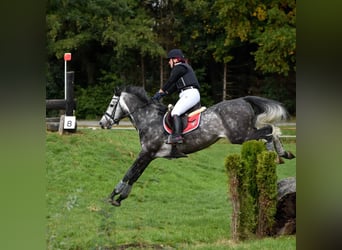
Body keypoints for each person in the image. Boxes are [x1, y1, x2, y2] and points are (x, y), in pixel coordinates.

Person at [152, 49, 200, 144]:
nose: (169, 62)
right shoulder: (183, 69)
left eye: (170, 60)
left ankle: (177, 136)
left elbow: (171, 81)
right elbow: (174, 87)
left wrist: (160, 91)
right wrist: (163, 94)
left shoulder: (179, 67)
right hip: (188, 93)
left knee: (175, 112)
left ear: (175, 60)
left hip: (190, 93)